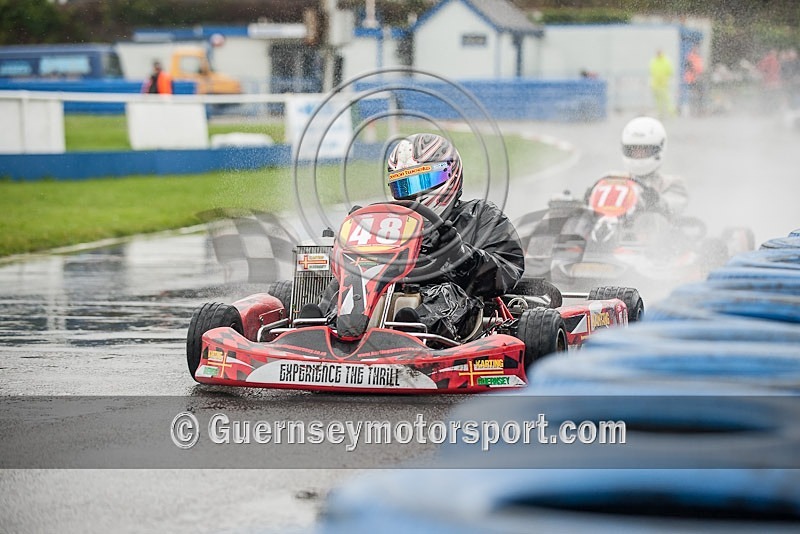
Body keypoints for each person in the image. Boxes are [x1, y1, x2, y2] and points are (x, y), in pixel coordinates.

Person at [319, 133, 525, 341]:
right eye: (404, 185)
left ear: (449, 175)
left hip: (454, 307)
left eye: (423, 180)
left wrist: (461, 256)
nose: (414, 194)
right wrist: (359, 237)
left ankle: (410, 330)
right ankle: (321, 327)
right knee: (347, 283)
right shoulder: (390, 221)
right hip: (387, 288)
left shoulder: (479, 215)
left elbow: (507, 270)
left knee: (447, 293)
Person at [616, 116, 688, 217]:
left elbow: (674, 206)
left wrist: (656, 201)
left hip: (651, 228)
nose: (638, 156)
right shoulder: (614, 181)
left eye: (644, 151)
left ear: (658, 150)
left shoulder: (672, 184)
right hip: (613, 227)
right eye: (633, 151)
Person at [649, 50, 675, 119]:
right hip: (656, 85)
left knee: (666, 100)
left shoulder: (665, 61)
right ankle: (661, 114)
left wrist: (664, 78)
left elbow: (670, 72)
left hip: (663, 84)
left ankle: (671, 114)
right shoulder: (654, 61)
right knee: (659, 101)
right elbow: (651, 72)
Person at [683, 45, 705, 116]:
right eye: (696, 49)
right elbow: (689, 67)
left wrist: (700, 75)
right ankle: (693, 111)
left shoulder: (698, 58)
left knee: (700, 95)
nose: (697, 50)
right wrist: (695, 75)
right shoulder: (690, 57)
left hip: (698, 79)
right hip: (692, 80)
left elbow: (700, 69)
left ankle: (699, 111)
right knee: (694, 96)